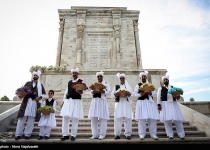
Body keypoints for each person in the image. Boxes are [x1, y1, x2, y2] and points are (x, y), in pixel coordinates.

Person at [15, 70, 46, 140]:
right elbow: (23, 91)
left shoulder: (40, 85)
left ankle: (27, 134)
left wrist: (39, 98)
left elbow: (44, 94)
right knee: (22, 119)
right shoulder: (28, 83)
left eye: (36, 75)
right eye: (34, 75)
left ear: (38, 76)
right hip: (26, 103)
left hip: (34, 104)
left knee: (31, 120)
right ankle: (18, 134)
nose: (35, 76)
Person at [60, 67, 87, 141]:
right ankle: (65, 135)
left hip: (76, 101)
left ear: (78, 74)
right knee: (65, 118)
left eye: (75, 73)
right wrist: (63, 101)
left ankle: (73, 135)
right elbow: (66, 92)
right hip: (68, 101)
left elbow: (84, 92)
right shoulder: (69, 82)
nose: (74, 74)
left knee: (75, 119)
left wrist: (81, 92)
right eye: (73, 73)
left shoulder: (81, 82)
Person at [132, 70, 159, 140]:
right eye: (142, 76)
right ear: (140, 78)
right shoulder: (138, 85)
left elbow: (154, 93)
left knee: (152, 119)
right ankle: (142, 134)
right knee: (141, 119)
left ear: (146, 77)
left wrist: (150, 93)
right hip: (141, 103)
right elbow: (134, 94)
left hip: (149, 102)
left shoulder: (150, 85)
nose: (143, 77)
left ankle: (153, 134)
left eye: (144, 76)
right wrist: (141, 94)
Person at [157, 75, 185, 139]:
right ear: (162, 81)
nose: (165, 81)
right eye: (164, 80)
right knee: (167, 121)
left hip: (173, 104)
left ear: (168, 80)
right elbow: (158, 97)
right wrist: (159, 105)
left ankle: (181, 134)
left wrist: (177, 96)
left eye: (166, 79)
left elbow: (177, 97)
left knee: (177, 120)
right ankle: (170, 134)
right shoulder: (160, 88)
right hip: (165, 105)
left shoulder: (173, 87)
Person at [88, 71, 111, 140]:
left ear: (102, 77)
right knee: (93, 118)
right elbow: (90, 93)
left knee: (102, 118)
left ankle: (102, 134)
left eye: (100, 76)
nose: (99, 77)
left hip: (102, 101)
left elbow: (109, 92)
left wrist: (103, 91)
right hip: (95, 101)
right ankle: (95, 134)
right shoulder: (94, 84)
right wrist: (93, 92)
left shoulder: (106, 84)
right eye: (98, 76)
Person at [111, 73, 133, 140]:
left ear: (124, 79)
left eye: (123, 78)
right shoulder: (116, 86)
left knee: (127, 119)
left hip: (126, 103)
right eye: (120, 78)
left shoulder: (128, 87)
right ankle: (117, 134)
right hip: (119, 103)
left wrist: (129, 95)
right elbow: (112, 95)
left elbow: (132, 95)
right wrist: (116, 95)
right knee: (118, 119)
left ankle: (128, 134)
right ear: (119, 79)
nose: (122, 79)